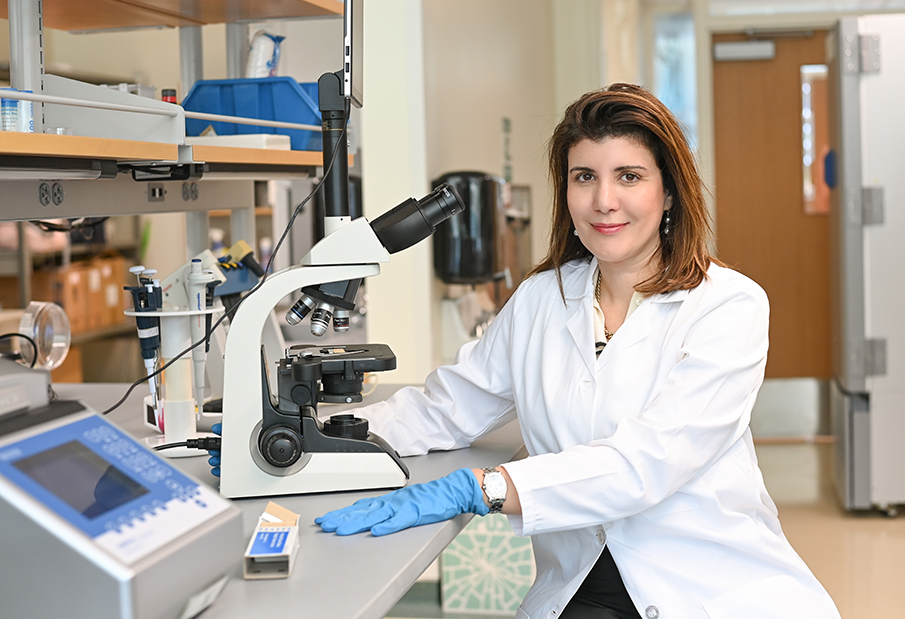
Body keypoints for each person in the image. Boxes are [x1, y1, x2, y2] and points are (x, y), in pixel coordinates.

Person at [315, 84, 842, 619]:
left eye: (629, 177)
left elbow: (649, 463)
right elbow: (446, 409)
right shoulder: (543, 298)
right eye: (584, 177)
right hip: (580, 585)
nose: (603, 201)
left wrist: (487, 488)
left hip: (705, 587)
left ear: (669, 192)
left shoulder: (727, 305)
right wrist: (317, 437)